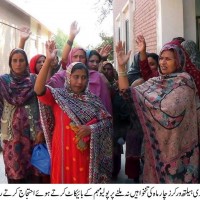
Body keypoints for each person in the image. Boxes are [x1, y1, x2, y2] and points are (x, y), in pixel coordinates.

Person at [116, 41, 200, 183]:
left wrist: (151, 108)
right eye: (161, 58)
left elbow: (169, 115)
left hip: (180, 155)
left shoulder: (186, 84)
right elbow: (127, 94)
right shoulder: (155, 83)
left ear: (178, 61)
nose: (163, 62)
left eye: (168, 59)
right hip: (156, 153)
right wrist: (121, 67)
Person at [34, 40, 113, 183]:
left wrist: (91, 128)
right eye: (75, 77)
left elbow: (107, 122)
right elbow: (39, 90)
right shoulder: (58, 97)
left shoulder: (94, 101)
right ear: (68, 77)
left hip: (85, 158)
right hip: (62, 156)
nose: (79, 81)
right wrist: (48, 61)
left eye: (84, 77)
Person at [0, 48, 44, 183]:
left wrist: (41, 129)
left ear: (26, 63)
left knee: (35, 171)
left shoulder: (34, 80)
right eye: (14, 60)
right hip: (11, 136)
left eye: (21, 60)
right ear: (10, 63)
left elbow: (43, 107)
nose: (18, 64)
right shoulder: (3, 81)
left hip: (33, 134)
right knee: (15, 173)